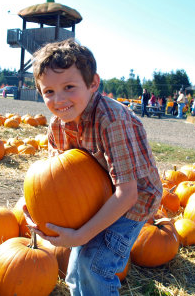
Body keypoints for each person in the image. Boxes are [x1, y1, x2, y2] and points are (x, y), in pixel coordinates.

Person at [24, 38, 162, 295]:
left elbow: (127, 194)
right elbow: (60, 181)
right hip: (99, 196)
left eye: (69, 87)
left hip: (135, 199)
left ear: (93, 84)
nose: (59, 99)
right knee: (75, 270)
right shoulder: (56, 127)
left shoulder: (112, 120)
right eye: (49, 91)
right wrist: (36, 207)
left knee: (94, 264)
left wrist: (80, 236)